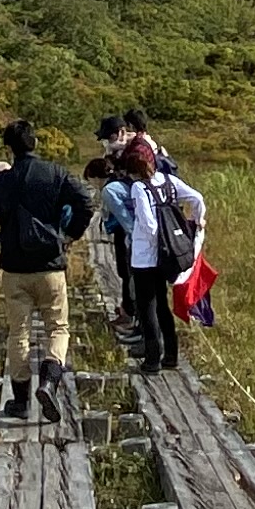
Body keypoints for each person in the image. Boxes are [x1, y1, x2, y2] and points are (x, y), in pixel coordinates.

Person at [0, 118, 93, 423]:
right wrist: (68, 235)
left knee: (18, 332)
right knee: (58, 328)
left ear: (8, 149)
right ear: (34, 142)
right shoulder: (54, 173)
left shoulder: (1, 181)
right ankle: (49, 380)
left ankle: (21, 402)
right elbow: (85, 202)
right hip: (50, 266)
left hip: (14, 269)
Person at [100, 135, 203, 372]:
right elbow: (196, 198)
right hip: (165, 256)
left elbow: (147, 223)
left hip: (145, 256)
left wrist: (147, 239)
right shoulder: (167, 181)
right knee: (162, 305)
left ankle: (152, 358)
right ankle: (171, 355)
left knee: (147, 307)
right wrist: (199, 220)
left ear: (131, 171)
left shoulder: (139, 187)